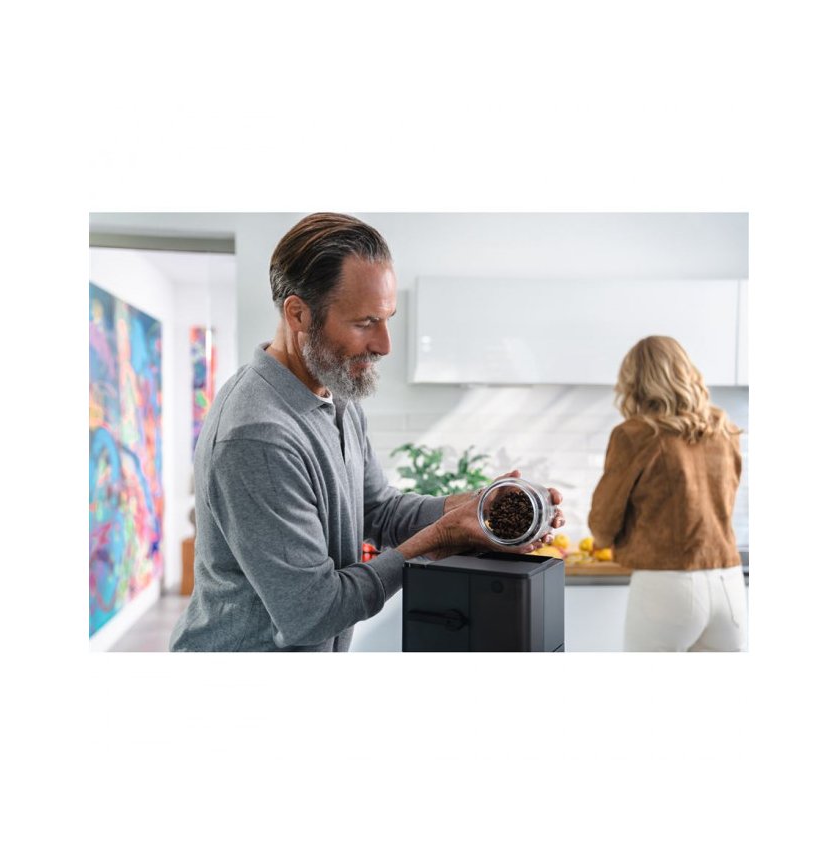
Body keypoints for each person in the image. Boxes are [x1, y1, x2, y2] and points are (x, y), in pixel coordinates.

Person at [170, 212, 564, 651]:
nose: (384, 345)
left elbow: (379, 511)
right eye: (364, 323)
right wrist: (441, 537)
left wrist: (476, 508)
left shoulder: (335, 393)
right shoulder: (258, 436)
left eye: (387, 318)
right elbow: (311, 613)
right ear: (298, 314)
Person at [588, 335, 746, 652]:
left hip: (667, 585)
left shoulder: (635, 435)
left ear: (634, 382)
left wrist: (603, 540)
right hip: (728, 581)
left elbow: (604, 519)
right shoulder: (724, 429)